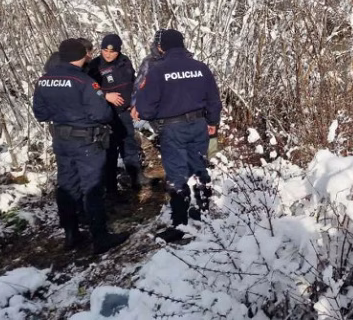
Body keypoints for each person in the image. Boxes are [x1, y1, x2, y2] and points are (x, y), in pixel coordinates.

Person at [32, 38, 130, 254]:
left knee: (67, 185)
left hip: (61, 139)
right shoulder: (84, 81)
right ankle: (100, 237)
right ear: (81, 56)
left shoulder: (44, 80)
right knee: (92, 187)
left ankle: (71, 233)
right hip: (86, 140)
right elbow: (102, 114)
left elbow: (40, 114)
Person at [135, 29, 222, 242]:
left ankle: (180, 224)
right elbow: (214, 99)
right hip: (199, 125)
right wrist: (212, 122)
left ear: (161, 47)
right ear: (183, 45)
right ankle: (203, 213)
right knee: (200, 168)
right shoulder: (200, 68)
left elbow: (145, 108)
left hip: (172, 128)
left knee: (177, 175)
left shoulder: (156, 71)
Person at [88, 34, 145, 192]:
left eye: (112, 51)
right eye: (105, 50)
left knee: (129, 145)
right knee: (110, 152)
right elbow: (87, 92)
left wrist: (135, 104)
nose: (108, 54)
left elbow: (134, 83)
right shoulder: (94, 66)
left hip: (125, 113)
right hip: (107, 116)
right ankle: (111, 189)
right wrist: (106, 96)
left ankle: (136, 179)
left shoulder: (125, 61)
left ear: (119, 51)